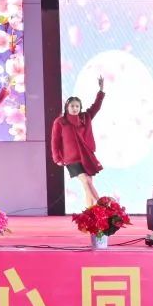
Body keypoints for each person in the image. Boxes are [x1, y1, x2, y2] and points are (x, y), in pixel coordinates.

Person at [51, 76, 106, 208]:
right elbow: (55, 140)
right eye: (72, 106)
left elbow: (96, 107)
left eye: (77, 106)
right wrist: (57, 158)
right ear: (67, 107)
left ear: (80, 107)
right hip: (71, 159)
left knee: (88, 184)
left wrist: (101, 90)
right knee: (86, 181)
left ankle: (91, 213)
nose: (75, 108)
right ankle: (103, 207)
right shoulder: (60, 121)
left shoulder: (85, 117)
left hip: (86, 156)